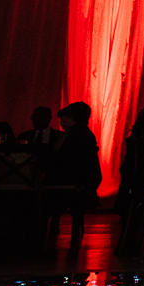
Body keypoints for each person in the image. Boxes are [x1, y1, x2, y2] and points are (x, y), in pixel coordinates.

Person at [45, 101, 102, 244]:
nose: (61, 122)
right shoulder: (85, 133)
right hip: (83, 181)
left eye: (64, 118)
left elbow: (64, 161)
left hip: (72, 181)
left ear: (72, 116)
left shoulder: (74, 135)